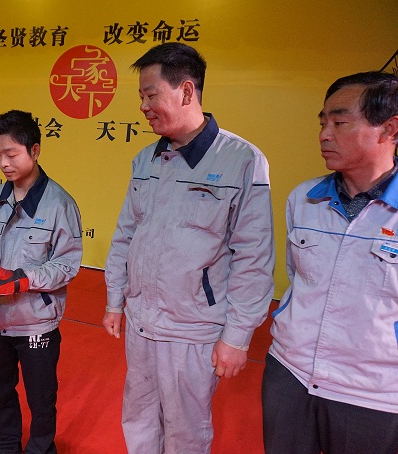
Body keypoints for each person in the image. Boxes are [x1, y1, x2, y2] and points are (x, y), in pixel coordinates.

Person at [102, 42, 275, 453]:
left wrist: (237, 337)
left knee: (185, 430)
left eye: (151, 95)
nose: (143, 106)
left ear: (185, 91)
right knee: (139, 416)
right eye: (140, 96)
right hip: (141, 321)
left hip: (193, 327)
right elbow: (126, 233)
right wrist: (114, 300)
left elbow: (254, 257)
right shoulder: (146, 159)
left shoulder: (242, 160)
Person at [262, 71, 398, 454]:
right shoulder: (304, 198)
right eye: (322, 123)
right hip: (290, 372)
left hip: (373, 393)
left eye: (339, 123)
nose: (324, 134)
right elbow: (298, 280)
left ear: (389, 129)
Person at [0, 109, 83, 454]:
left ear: (34, 150)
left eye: (11, 154)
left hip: (36, 322)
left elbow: (67, 265)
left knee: (41, 398)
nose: (3, 163)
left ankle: (41, 449)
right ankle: (6, 447)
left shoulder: (60, 204)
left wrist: (22, 280)